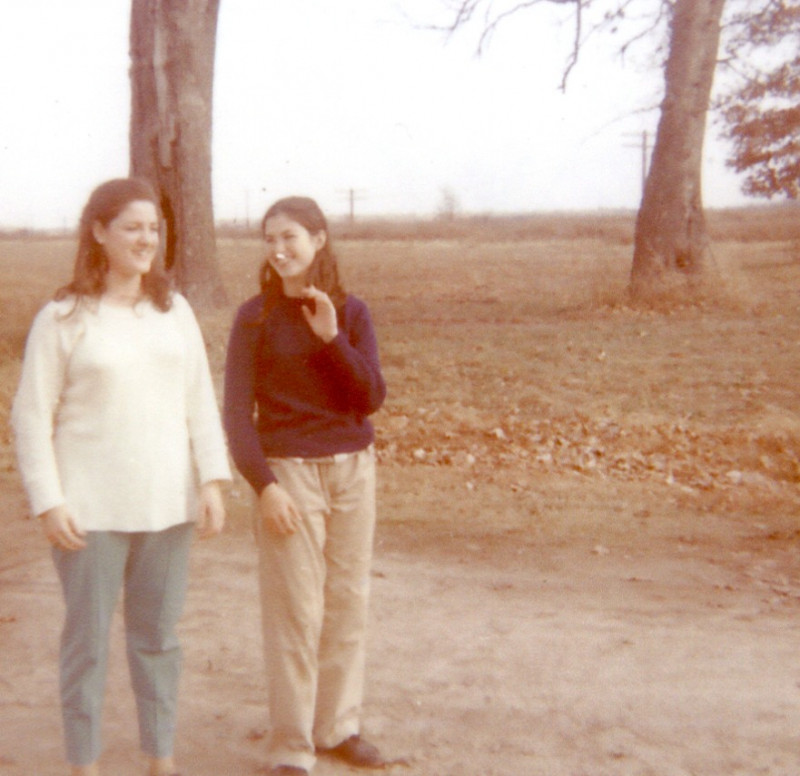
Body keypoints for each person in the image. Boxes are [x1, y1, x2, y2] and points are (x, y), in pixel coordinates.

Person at [11, 177, 231, 776]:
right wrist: (49, 501)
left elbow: (199, 401)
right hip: (90, 512)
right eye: (132, 226)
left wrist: (211, 479)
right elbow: (30, 417)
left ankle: (160, 759)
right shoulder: (62, 319)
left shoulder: (174, 310)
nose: (145, 239)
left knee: (157, 641)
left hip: (168, 506)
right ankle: (84, 764)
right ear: (99, 232)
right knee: (88, 648)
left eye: (154, 228)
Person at [223, 196, 387, 776]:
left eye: (290, 236)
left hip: (353, 471)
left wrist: (331, 338)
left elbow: (368, 398)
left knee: (348, 601)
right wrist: (265, 486)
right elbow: (236, 415)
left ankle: (337, 726)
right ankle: (293, 745)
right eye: (270, 239)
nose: (279, 249)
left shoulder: (351, 311)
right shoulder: (254, 318)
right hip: (289, 474)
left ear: (319, 240)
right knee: (296, 609)